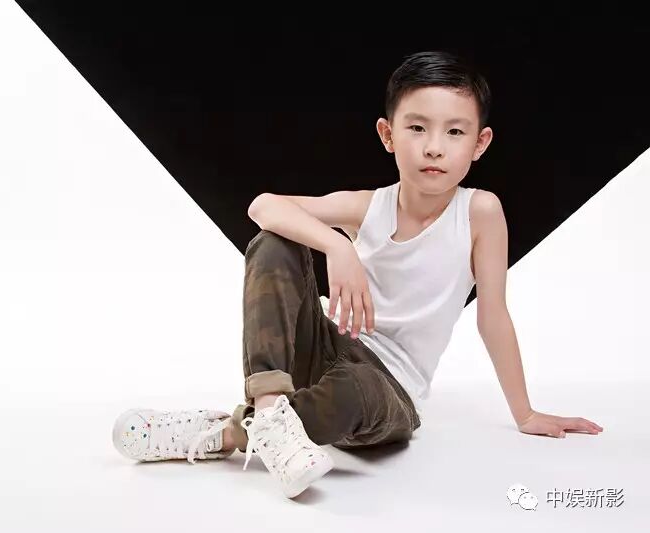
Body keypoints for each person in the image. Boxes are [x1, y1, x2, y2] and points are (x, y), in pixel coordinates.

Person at [111, 50, 604, 498]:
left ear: (480, 143)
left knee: (354, 389)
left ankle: (225, 433)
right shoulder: (366, 207)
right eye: (417, 128)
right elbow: (263, 206)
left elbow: (492, 314)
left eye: (455, 132)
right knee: (274, 241)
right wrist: (337, 245)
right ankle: (270, 408)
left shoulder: (480, 213)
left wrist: (525, 413)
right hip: (324, 345)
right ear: (388, 135)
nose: (434, 147)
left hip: (389, 389)